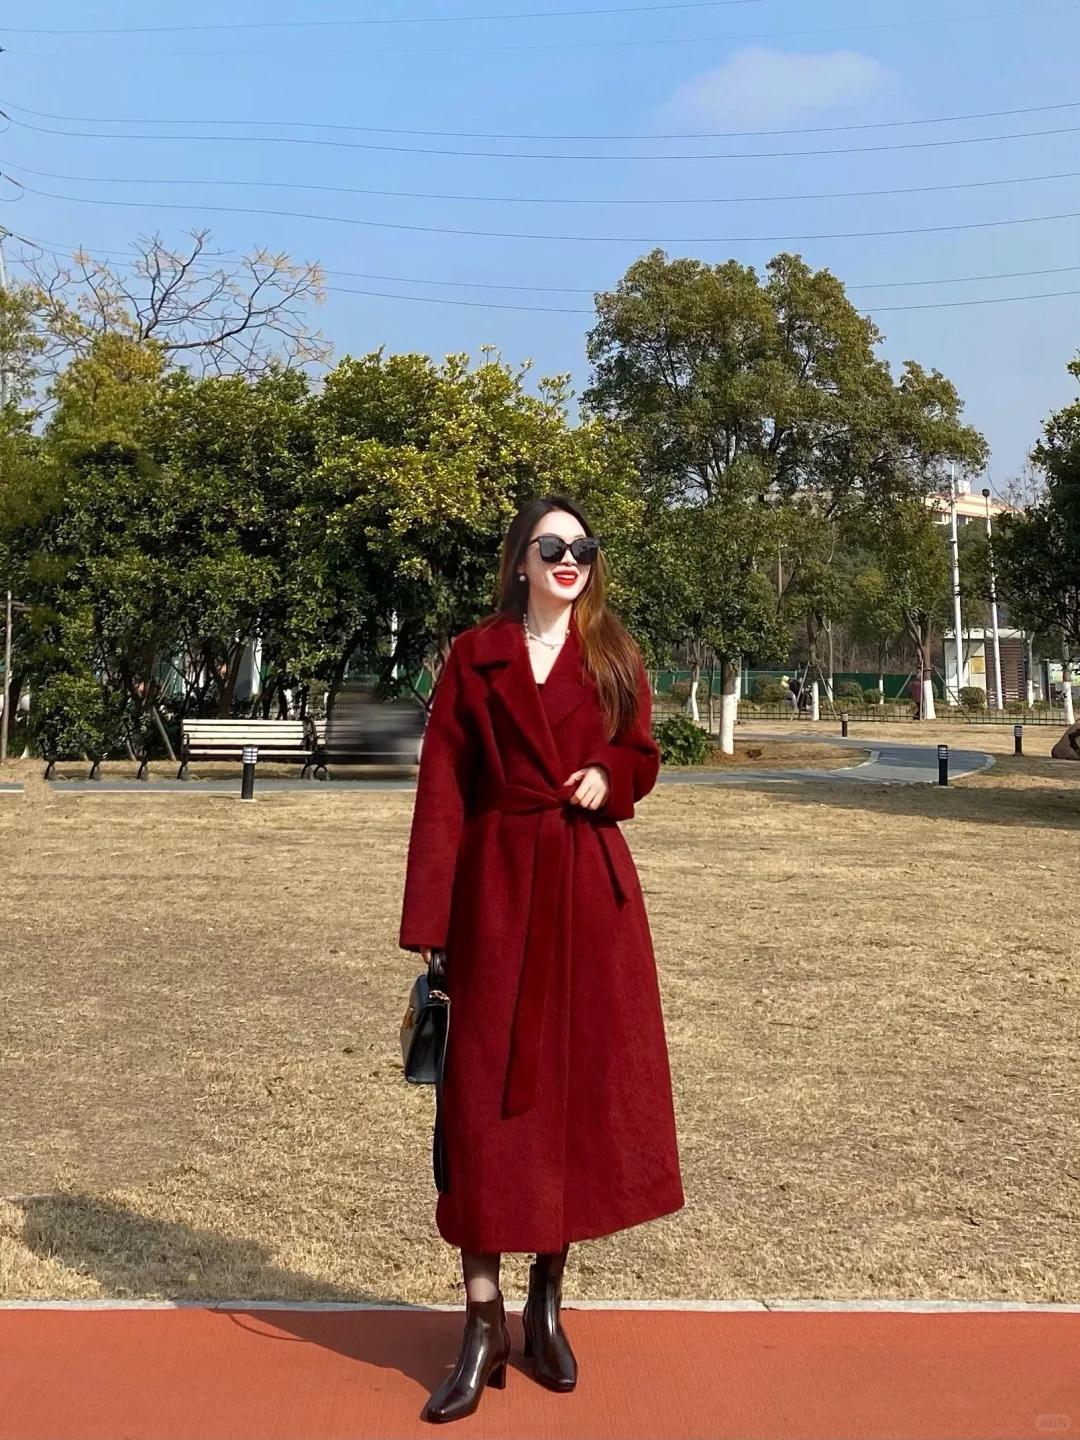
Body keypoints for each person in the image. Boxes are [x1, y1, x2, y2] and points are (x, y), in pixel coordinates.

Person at [399, 495, 685, 1423]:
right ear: (519, 560)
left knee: (571, 1102)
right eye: (550, 545)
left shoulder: (615, 655)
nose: (570, 559)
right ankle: (481, 1318)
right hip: (494, 895)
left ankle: (545, 1304)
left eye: (583, 547)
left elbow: (643, 754)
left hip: (588, 898)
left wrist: (611, 773)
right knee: (481, 1108)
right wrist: (432, 920)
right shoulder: (473, 654)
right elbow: (443, 787)